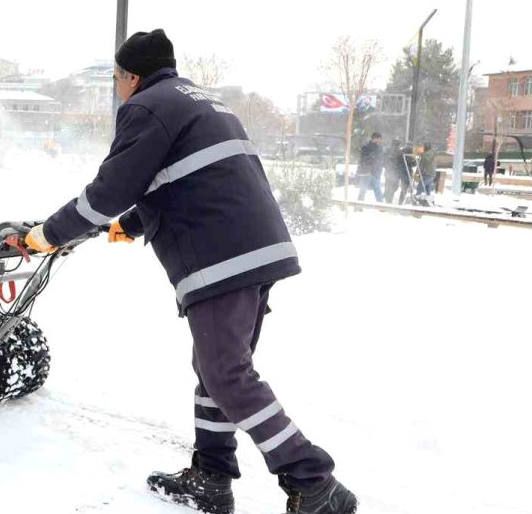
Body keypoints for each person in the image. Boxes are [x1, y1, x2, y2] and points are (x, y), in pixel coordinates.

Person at [24, 30, 356, 514]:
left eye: (116, 78)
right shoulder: (199, 102)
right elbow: (182, 178)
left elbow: (110, 189)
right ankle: (212, 476)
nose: (117, 88)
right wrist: (131, 226)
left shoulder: (145, 106)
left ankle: (313, 481)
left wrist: (49, 234)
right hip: (253, 248)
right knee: (215, 368)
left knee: (226, 373)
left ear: (130, 76)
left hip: (221, 257)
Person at [356, 132, 384, 202]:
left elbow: (381, 159)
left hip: (376, 172)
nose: (379, 140)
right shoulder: (366, 147)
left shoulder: (379, 148)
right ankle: (358, 206)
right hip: (367, 172)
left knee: (378, 190)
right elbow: (363, 159)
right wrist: (372, 159)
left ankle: (381, 207)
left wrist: (380, 169)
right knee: (363, 190)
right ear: (374, 138)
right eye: (378, 139)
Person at [383, 138, 403, 203]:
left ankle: (387, 196)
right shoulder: (399, 152)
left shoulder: (386, 150)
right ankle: (389, 198)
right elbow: (401, 162)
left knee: (388, 184)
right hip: (395, 172)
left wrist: (385, 166)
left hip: (388, 171)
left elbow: (383, 159)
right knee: (394, 186)